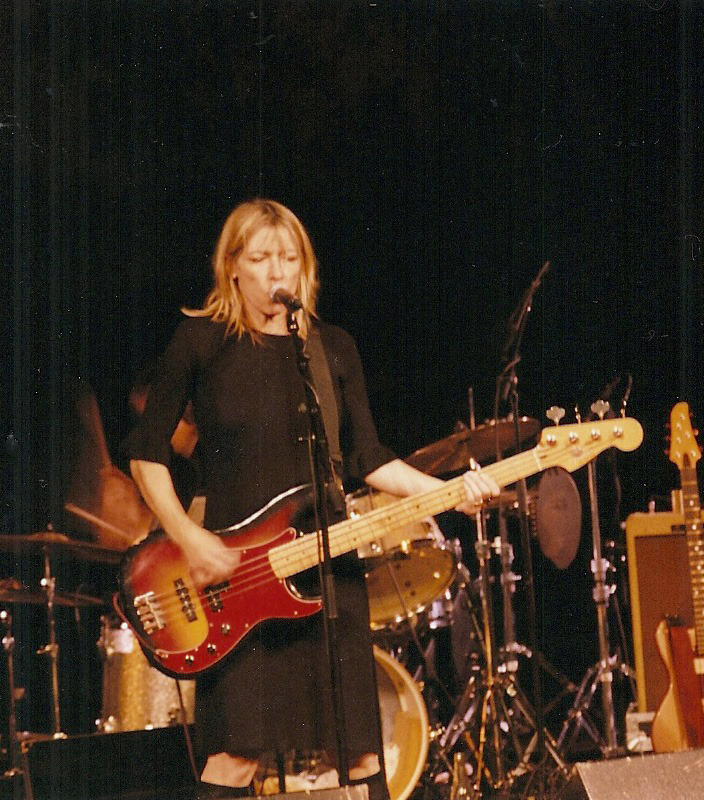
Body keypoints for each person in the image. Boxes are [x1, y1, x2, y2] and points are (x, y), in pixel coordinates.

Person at [128, 198, 499, 799]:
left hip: (324, 578)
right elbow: (147, 453)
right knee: (233, 757)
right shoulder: (201, 342)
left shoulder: (331, 350)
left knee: (359, 752)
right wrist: (189, 537)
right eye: (261, 258)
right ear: (233, 268)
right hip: (238, 584)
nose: (278, 272)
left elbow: (370, 459)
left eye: (289, 258)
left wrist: (451, 491)